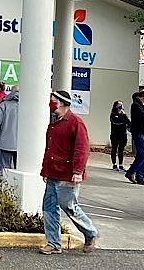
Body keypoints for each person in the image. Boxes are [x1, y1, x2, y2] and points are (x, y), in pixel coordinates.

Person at [39, 90, 99, 255]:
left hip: (67, 175)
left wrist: (78, 171)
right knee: (49, 209)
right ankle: (53, 243)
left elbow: (82, 149)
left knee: (69, 207)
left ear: (62, 103)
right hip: (53, 173)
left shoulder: (75, 122)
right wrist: (45, 170)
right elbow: (49, 149)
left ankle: (90, 233)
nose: (50, 102)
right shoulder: (54, 123)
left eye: (53, 100)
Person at [124, 90, 144, 186]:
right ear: (143, 96)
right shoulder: (136, 106)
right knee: (142, 154)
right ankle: (131, 172)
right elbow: (143, 117)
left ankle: (140, 177)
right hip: (139, 133)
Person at [0, 86, 19, 176]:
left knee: (4, 169)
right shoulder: (28, 106)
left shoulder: (4, 105)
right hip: (23, 145)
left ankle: (4, 187)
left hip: (5, 142)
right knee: (20, 168)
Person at [109, 100, 130, 171]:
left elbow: (128, 123)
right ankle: (114, 164)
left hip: (123, 134)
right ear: (116, 106)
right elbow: (116, 122)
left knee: (121, 150)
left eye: (122, 105)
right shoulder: (113, 114)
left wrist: (124, 115)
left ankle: (121, 164)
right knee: (114, 149)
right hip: (115, 134)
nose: (121, 106)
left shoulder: (123, 114)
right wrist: (120, 117)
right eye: (119, 105)